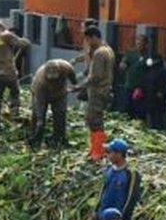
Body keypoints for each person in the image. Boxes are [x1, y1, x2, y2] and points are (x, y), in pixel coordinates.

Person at [96, 138, 142, 220]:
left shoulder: (130, 174)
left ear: (118, 154)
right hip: (104, 216)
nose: (108, 155)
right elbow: (103, 192)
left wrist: (122, 218)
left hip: (118, 219)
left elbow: (132, 197)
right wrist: (97, 210)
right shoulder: (108, 170)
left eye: (110, 152)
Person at [74, 25, 115, 160]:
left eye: (87, 39)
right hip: (105, 89)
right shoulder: (108, 50)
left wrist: (79, 86)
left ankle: (98, 152)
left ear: (93, 37)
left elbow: (95, 76)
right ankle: (95, 149)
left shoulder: (99, 53)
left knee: (94, 120)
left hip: (98, 91)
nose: (86, 43)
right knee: (96, 120)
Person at [29, 58, 77, 148]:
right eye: (51, 80)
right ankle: (35, 138)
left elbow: (72, 75)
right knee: (37, 116)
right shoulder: (40, 82)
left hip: (60, 93)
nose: (53, 82)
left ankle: (58, 138)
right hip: (43, 95)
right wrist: (40, 120)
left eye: (55, 79)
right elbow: (40, 103)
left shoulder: (66, 67)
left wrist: (75, 83)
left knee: (60, 115)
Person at [120, 34, 150, 120]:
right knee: (127, 107)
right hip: (129, 85)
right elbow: (123, 63)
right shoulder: (130, 53)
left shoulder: (148, 56)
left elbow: (150, 70)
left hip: (141, 88)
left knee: (140, 110)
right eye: (137, 41)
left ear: (146, 44)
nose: (139, 43)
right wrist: (123, 65)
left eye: (141, 42)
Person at [143, 55, 166, 130]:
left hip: (158, 101)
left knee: (158, 120)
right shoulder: (151, 71)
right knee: (152, 119)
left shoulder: (161, 71)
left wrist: (161, 92)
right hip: (150, 98)